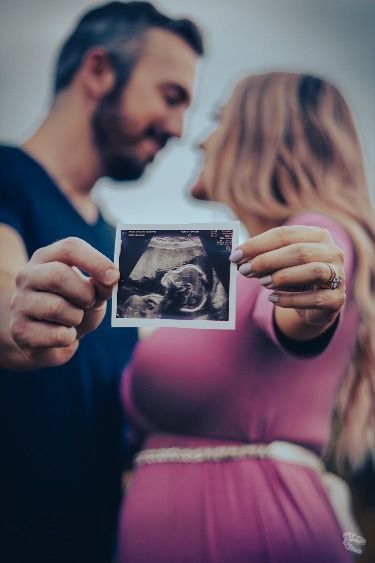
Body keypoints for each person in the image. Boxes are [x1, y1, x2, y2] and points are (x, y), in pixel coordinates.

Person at [117, 72, 375, 562]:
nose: (201, 138)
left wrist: (317, 294)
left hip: (253, 528)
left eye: (217, 118)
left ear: (262, 133)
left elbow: (302, 308)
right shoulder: (221, 276)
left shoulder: (313, 233)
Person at [0, 2, 203, 561]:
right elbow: (6, 293)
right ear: (97, 72)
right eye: (171, 96)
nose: (179, 128)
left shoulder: (120, 248)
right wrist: (22, 316)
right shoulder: (5, 178)